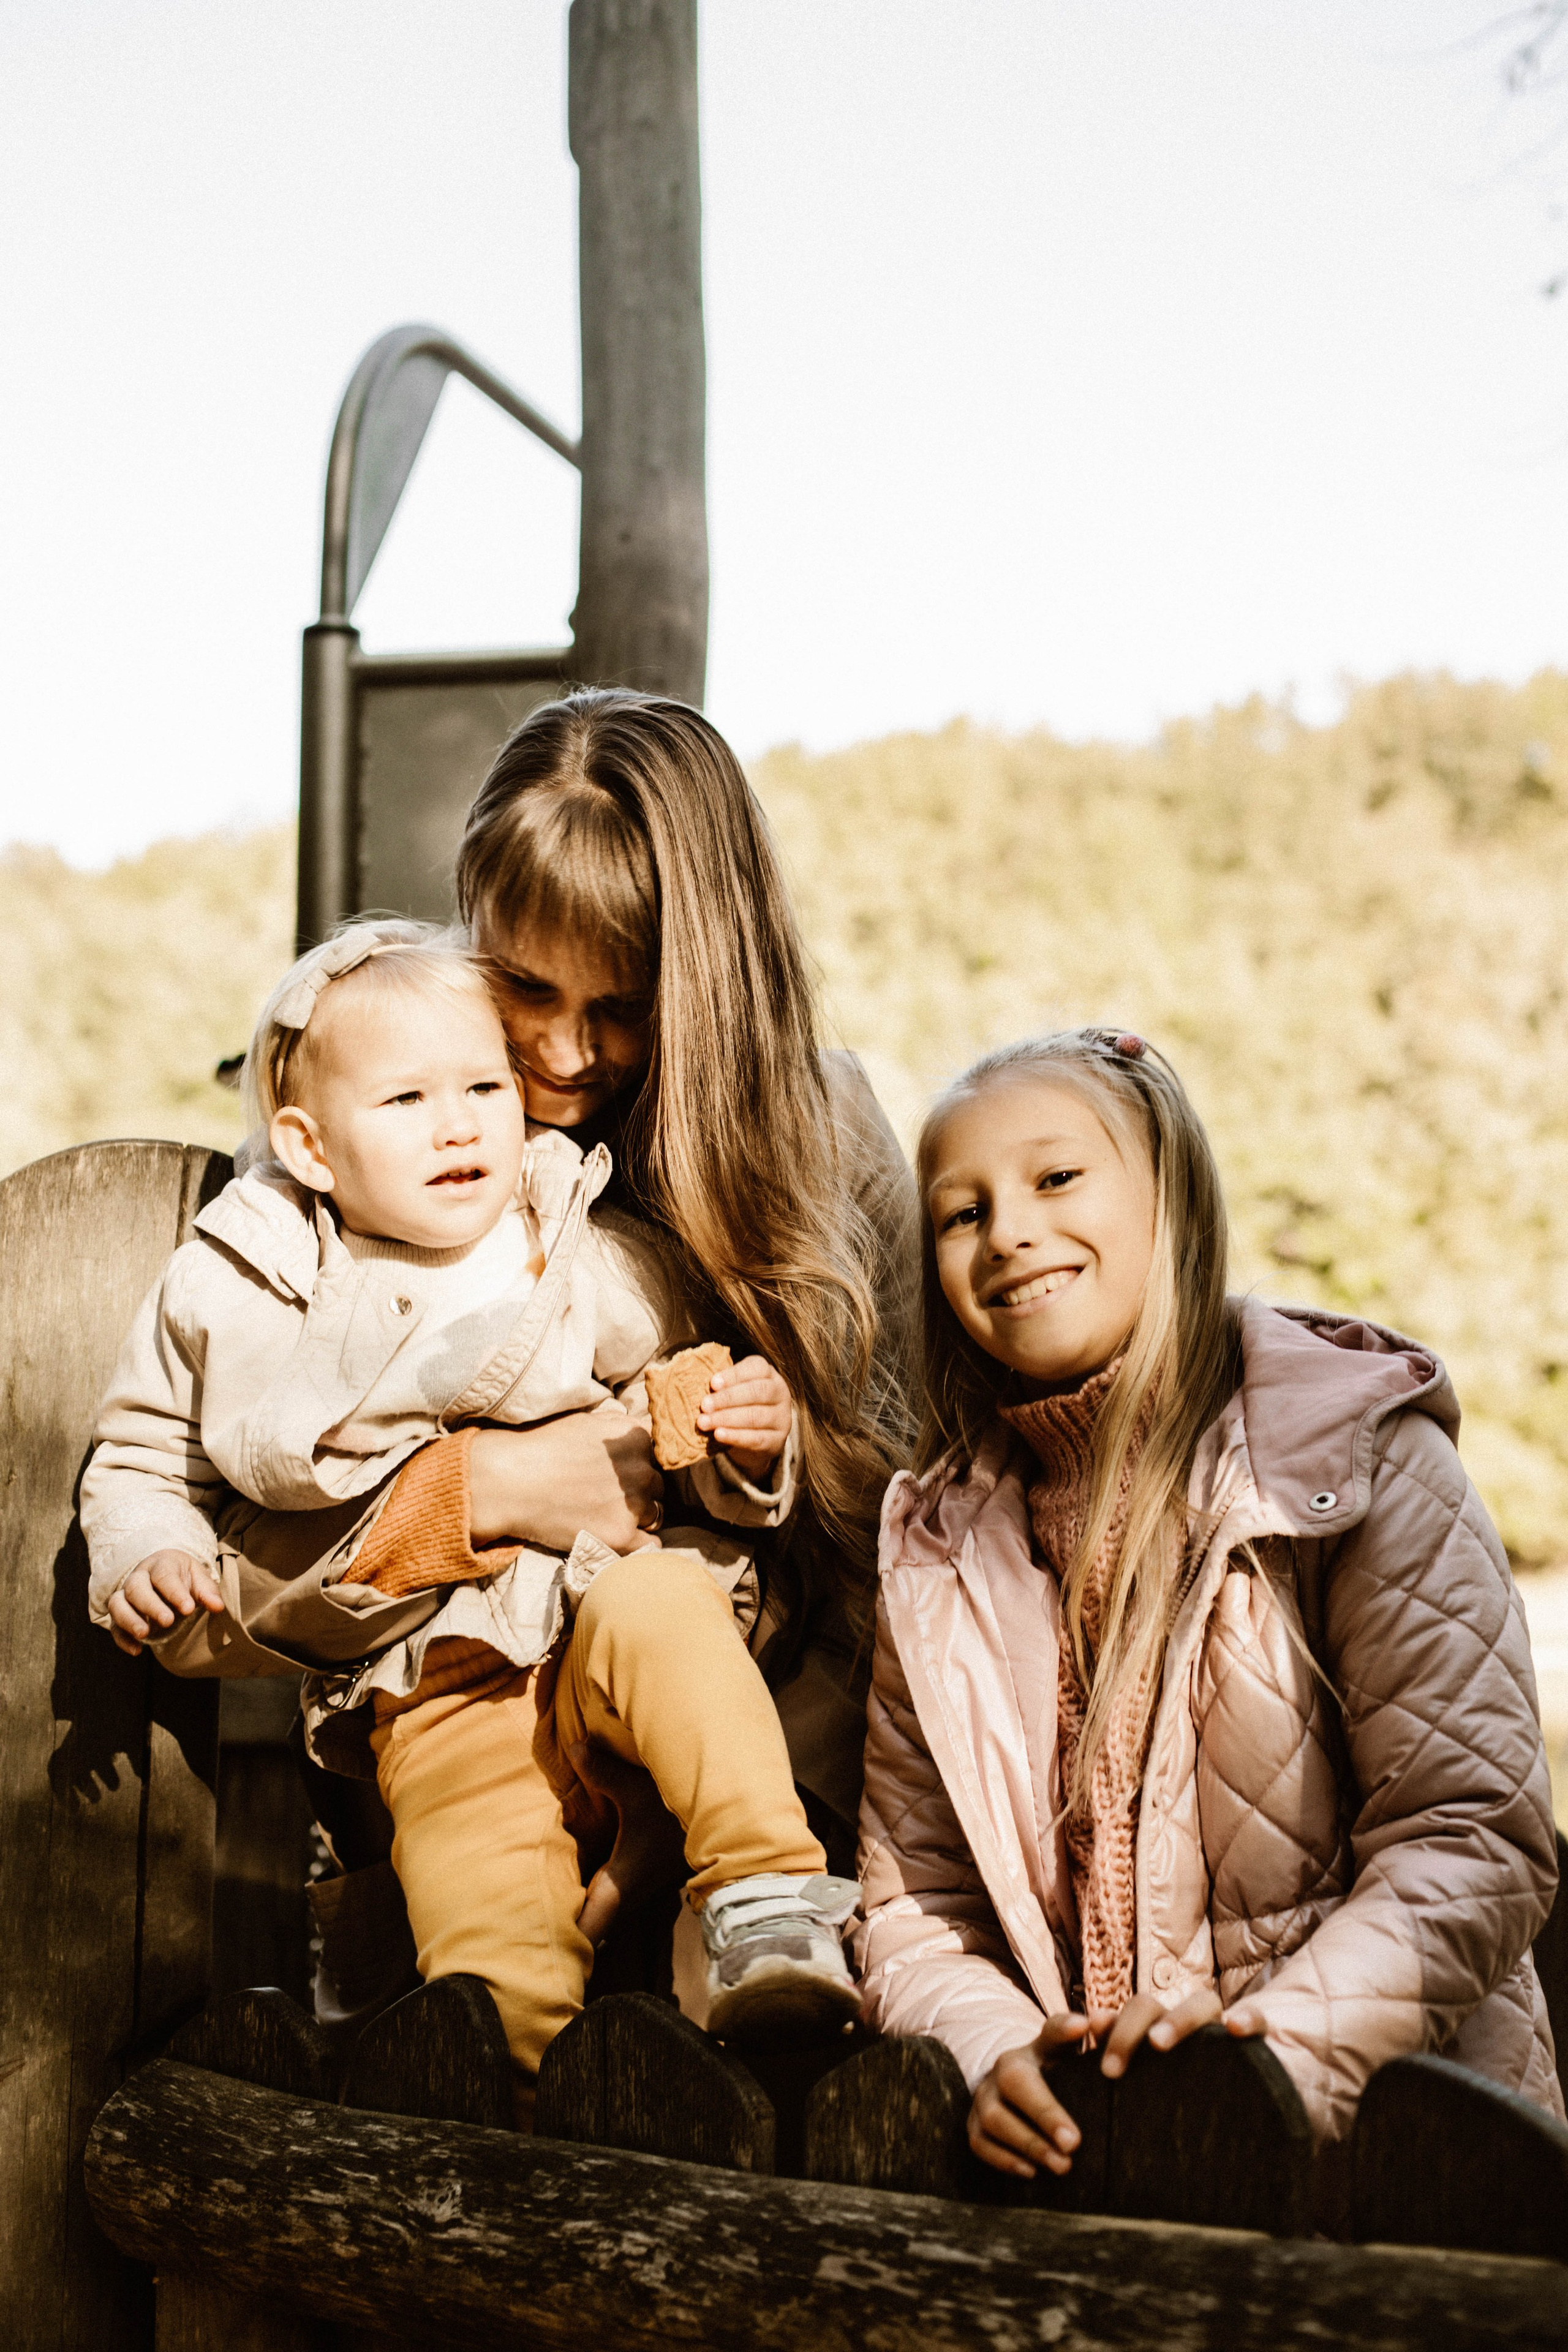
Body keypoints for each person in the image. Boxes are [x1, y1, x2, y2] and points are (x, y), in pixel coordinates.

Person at [92, 690, 917, 2089]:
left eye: (622, 1008)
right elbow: (221, 1538)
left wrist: (683, 1812)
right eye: (526, 989)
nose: (564, 1055)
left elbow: (887, 1536)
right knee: (498, 2061)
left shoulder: (816, 1146)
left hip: (771, 1815)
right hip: (451, 1760)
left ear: (704, 983)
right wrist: (469, 1495)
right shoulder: (358, 1156)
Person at [856, 1024, 1561, 2209]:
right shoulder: (939, 1552)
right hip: (1102, 2189)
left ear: (1169, 1194)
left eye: (1056, 1177)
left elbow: (1473, 1840)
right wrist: (991, 2052)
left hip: (1391, 2173)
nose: (1009, 1231)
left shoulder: (1352, 1465)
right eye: (962, 1213)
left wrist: (1261, 2067)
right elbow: (917, 1908)